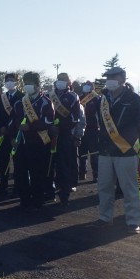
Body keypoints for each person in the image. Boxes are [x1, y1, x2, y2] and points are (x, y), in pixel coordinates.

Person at [94, 67, 140, 234]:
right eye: (108, 77)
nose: (109, 79)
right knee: (104, 186)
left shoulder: (135, 100)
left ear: (123, 78)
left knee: (129, 188)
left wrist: (132, 141)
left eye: (113, 76)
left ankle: (133, 221)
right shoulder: (102, 99)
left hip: (126, 151)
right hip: (105, 150)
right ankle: (105, 218)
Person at [10, 72, 55, 211]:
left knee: (37, 173)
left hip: (39, 143)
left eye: (30, 83)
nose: (27, 86)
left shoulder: (46, 102)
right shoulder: (19, 102)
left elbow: (48, 121)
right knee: (20, 173)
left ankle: (37, 200)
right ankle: (24, 199)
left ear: (37, 85)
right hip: (21, 143)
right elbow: (12, 121)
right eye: (25, 83)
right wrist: (12, 137)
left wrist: (31, 126)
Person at [49, 73, 83, 206]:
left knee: (64, 165)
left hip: (65, 135)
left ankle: (64, 193)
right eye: (59, 80)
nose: (60, 82)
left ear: (69, 82)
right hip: (49, 134)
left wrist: (62, 128)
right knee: (50, 163)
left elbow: (75, 118)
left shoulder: (72, 97)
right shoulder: (50, 95)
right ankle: (50, 190)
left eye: (63, 80)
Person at [0, 73, 24, 195]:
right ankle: (3, 185)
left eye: (12, 80)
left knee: (18, 162)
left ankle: (17, 186)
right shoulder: (2, 97)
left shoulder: (22, 96)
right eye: (7, 80)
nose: (9, 83)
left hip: (16, 134)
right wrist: (1, 127)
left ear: (17, 82)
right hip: (4, 134)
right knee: (3, 160)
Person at [78, 81, 100, 183]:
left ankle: (96, 174)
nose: (86, 86)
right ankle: (82, 173)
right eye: (84, 85)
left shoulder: (97, 99)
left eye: (88, 85)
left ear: (92, 87)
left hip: (93, 130)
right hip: (82, 129)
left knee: (94, 153)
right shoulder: (79, 98)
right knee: (82, 153)